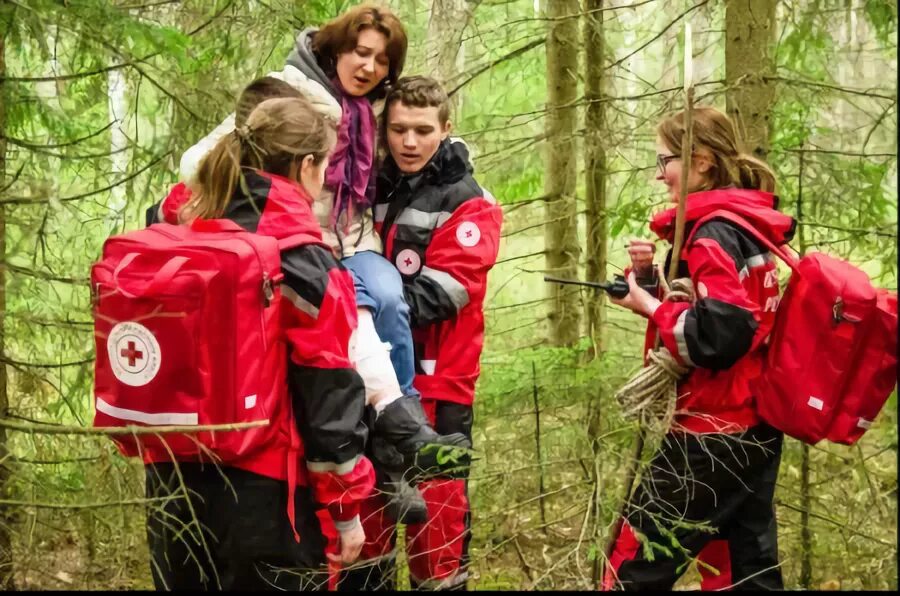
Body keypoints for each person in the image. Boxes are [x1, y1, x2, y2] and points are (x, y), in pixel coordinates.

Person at [175, 3, 470, 521]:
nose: (369, 68)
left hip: (352, 241)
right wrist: (228, 203)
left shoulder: (375, 111)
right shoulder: (285, 92)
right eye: (360, 52)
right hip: (295, 244)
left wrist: (451, 153)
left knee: (386, 297)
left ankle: (398, 443)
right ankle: (375, 440)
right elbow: (200, 160)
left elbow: (422, 135)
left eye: (382, 60)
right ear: (335, 48)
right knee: (344, 316)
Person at [145, 96, 373, 590]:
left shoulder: (180, 230)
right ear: (306, 166)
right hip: (267, 495)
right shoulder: (307, 264)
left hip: (171, 484)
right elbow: (328, 396)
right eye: (324, 166)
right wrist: (345, 510)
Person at [601, 106, 795, 591]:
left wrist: (650, 306)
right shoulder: (746, 226)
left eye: (665, 160)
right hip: (755, 426)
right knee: (744, 569)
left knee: (632, 568)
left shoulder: (711, 235)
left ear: (702, 162)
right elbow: (732, 311)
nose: (659, 173)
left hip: (709, 432)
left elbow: (721, 335)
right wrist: (651, 283)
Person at [338, 76, 502, 592]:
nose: (409, 142)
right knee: (368, 512)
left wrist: (357, 313)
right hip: (368, 376)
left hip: (440, 381)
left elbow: (448, 292)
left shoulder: (468, 199)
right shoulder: (369, 186)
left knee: (439, 518)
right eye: (398, 129)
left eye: (423, 130)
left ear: (445, 129)